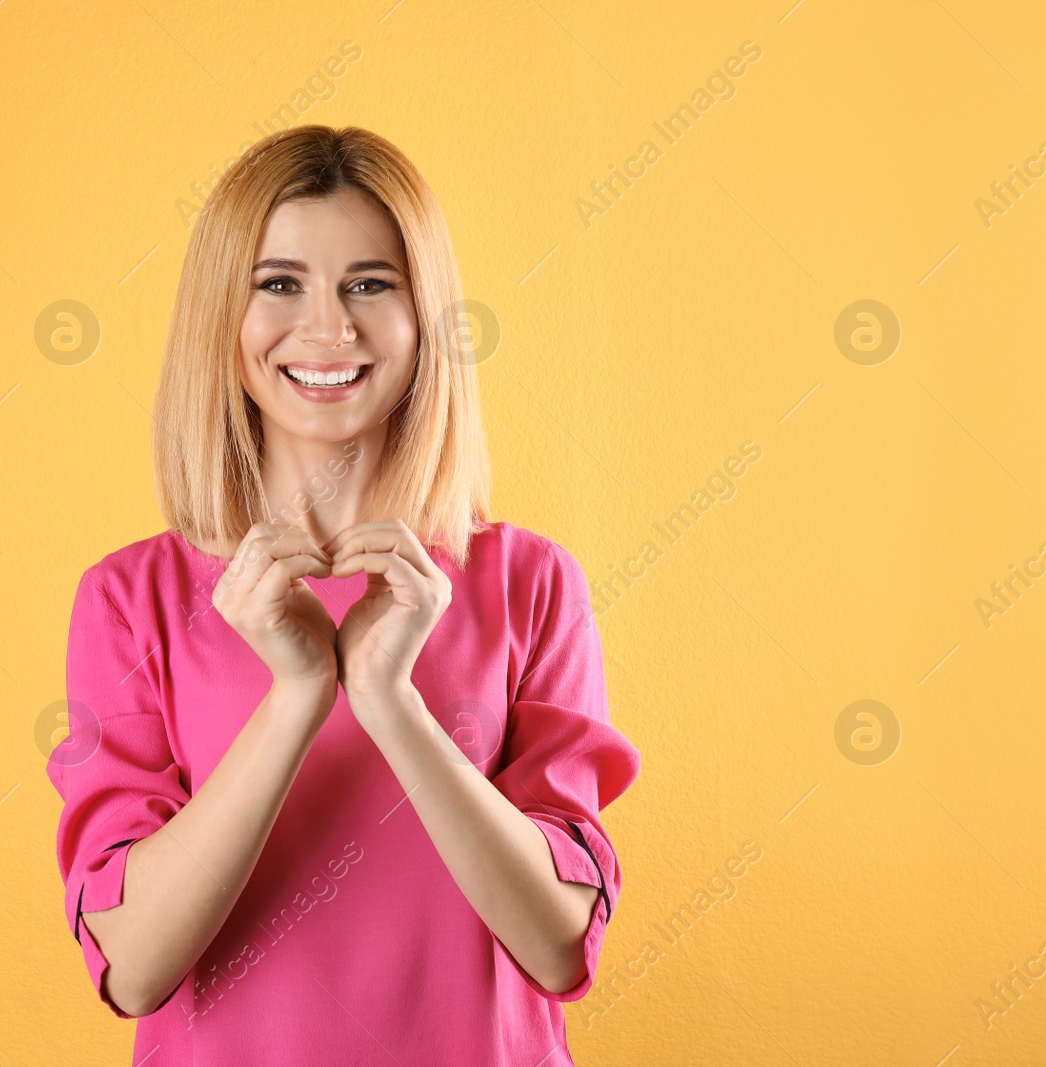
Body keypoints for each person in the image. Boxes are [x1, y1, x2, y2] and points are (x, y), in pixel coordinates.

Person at [46, 124, 641, 1066]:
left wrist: (391, 702)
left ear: (425, 316)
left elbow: (563, 944)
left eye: (371, 283)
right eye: (279, 283)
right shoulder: (131, 599)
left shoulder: (533, 584)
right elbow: (131, 965)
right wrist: (295, 698)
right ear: (222, 316)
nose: (330, 328)